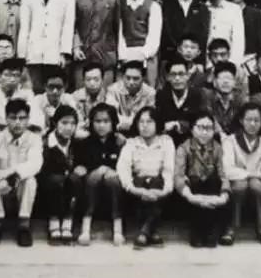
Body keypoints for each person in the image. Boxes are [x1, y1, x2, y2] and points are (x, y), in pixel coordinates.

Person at [0, 98, 43, 247]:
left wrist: (8, 174)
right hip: (0, 191)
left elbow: (35, 164)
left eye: (22, 118)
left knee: (30, 180)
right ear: (6, 119)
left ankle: (23, 226)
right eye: (13, 118)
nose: (18, 123)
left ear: (28, 119)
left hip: (20, 189)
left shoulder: (34, 139)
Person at [116, 106, 175, 249]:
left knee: (156, 182)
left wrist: (164, 191)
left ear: (157, 123)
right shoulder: (131, 143)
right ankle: (152, 232)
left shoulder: (166, 141)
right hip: (138, 186)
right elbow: (123, 168)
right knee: (141, 182)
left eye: (149, 122)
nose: (144, 126)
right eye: (141, 122)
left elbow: (169, 169)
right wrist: (134, 189)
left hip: (159, 187)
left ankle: (144, 232)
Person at [17, 0, 75, 93]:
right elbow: (24, 29)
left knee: (54, 90)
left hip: (55, 55)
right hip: (33, 55)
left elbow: (68, 26)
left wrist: (64, 53)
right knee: (34, 90)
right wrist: (22, 56)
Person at [222, 102, 261, 246]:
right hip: (236, 183)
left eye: (256, 120)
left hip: (257, 186)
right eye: (249, 120)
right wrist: (255, 174)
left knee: (256, 185)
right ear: (241, 120)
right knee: (240, 185)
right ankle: (231, 227)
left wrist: (259, 176)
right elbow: (227, 169)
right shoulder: (230, 141)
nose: (252, 124)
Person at [175, 111, 231, 248]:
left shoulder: (218, 148)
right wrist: (191, 196)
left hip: (212, 192)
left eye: (209, 128)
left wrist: (224, 196)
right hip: (191, 192)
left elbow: (223, 174)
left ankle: (210, 231)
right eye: (200, 127)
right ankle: (197, 231)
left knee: (213, 182)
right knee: (195, 183)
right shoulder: (183, 148)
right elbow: (178, 176)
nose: (205, 132)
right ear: (192, 129)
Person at [76, 103, 126, 246]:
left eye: (106, 121)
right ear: (91, 123)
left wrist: (111, 171)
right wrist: (96, 170)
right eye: (97, 121)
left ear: (113, 123)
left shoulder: (119, 142)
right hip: (92, 184)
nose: (101, 125)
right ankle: (85, 229)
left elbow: (125, 165)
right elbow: (81, 166)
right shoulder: (85, 143)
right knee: (93, 178)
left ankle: (118, 230)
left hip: (113, 184)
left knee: (113, 180)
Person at [73, 0, 120, 88]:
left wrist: (116, 53)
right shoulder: (79, 0)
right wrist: (76, 47)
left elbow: (117, 28)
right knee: (81, 94)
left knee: (106, 94)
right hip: (83, 56)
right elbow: (73, 27)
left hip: (106, 57)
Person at [40, 104, 84, 245]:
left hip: (69, 185)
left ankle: (68, 219)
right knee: (56, 180)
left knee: (75, 179)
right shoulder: (46, 143)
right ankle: (53, 219)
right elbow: (44, 169)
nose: (69, 127)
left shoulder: (76, 143)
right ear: (55, 123)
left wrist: (81, 167)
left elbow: (82, 161)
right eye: (64, 123)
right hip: (50, 185)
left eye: (73, 124)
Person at [118, 0, 162, 87]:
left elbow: (154, 36)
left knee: (148, 88)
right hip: (125, 54)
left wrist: (144, 54)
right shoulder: (120, 5)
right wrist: (123, 55)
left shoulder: (153, 6)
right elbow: (118, 33)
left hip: (147, 56)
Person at [161, 0, 210, 64]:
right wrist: (179, 48)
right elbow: (166, 30)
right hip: (172, 55)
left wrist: (195, 52)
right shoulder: (167, 5)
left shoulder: (201, 7)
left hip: (195, 56)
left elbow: (203, 33)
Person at [156, 57, 205, 146]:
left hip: (192, 142)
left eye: (181, 74)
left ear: (188, 76)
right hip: (165, 142)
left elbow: (201, 121)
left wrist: (180, 125)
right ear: (167, 77)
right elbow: (157, 123)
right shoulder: (161, 96)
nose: (177, 78)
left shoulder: (197, 95)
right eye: (173, 74)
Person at [0, 58, 36, 131]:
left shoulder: (27, 94)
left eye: (16, 75)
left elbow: (35, 116)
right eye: (7, 75)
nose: (12, 79)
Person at [106, 60, 156, 136]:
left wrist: (126, 123)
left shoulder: (150, 93)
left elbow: (149, 119)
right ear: (123, 77)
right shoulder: (113, 89)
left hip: (141, 132)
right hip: (117, 131)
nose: (131, 82)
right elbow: (110, 115)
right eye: (128, 78)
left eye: (136, 78)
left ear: (143, 78)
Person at [205, 0, 245, 66]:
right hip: (207, 61)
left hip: (227, 60)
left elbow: (238, 39)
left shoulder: (234, 9)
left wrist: (234, 63)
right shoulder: (202, 8)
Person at [203, 62, 245, 139]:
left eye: (229, 78)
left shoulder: (240, 99)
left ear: (234, 82)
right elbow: (209, 120)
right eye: (222, 78)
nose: (226, 82)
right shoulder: (207, 97)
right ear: (214, 82)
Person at [32, 66, 77, 135]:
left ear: (64, 87)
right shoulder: (37, 101)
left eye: (59, 87)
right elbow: (37, 128)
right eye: (51, 87)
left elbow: (75, 122)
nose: (55, 91)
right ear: (45, 86)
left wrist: (55, 114)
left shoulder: (68, 99)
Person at [72, 62, 109, 139]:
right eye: (88, 79)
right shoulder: (75, 96)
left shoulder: (108, 96)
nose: (92, 83)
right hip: (81, 133)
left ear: (102, 80)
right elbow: (74, 120)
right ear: (83, 80)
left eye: (96, 79)